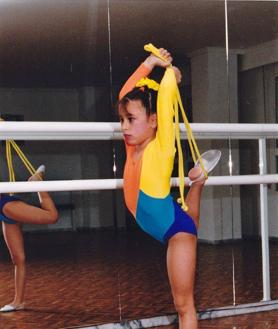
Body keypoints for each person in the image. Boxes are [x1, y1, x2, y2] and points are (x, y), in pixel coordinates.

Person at [118, 48, 219, 329]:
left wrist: (171, 76)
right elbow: (124, 96)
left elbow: (164, 101)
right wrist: (149, 64)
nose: (124, 127)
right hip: (167, 220)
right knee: (188, 218)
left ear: (153, 122)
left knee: (183, 305)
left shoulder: (162, 147)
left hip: (176, 234)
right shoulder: (131, 146)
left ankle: (197, 181)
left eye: (131, 120)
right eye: (122, 120)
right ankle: (197, 181)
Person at [0, 165, 58, 312]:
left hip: (6, 206)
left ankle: (38, 183)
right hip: (3, 213)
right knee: (18, 259)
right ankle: (18, 301)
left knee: (52, 216)